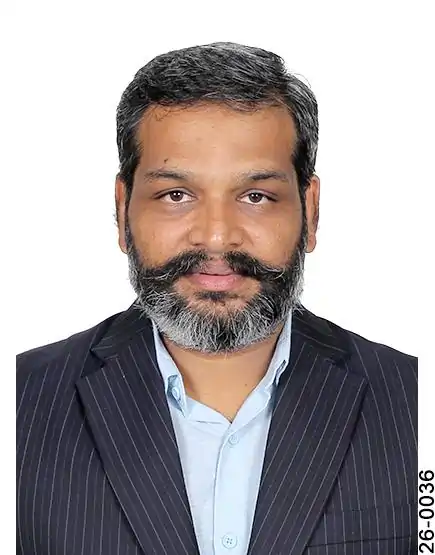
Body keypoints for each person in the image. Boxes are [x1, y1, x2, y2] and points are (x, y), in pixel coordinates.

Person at [16, 42, 417, 555]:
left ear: (311, 211)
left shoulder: (414, 403)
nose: (217, 237)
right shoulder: (20, 403)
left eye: (256, 196)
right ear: (122, 210)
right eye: (176, 195)